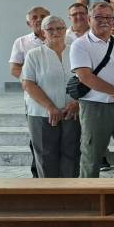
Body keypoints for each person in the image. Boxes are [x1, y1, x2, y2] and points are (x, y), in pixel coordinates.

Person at [71, 2, 114, 178]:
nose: (105, 21)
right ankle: (89, 193)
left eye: (109, 17)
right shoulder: (80, 45)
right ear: (89, 20)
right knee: (92, 156)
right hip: (95, 107)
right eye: (99, 17)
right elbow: (85, 76)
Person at [20, 16, 80, 178]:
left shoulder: (76, 51)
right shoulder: (34, 54)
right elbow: (28, 84)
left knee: (72, 154)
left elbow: (86, 79)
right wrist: (50, 107)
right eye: (50, 29)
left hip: (72, 112)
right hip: (41, 113)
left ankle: (71, 190)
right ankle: (49, 191)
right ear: (43, 32)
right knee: (46, 156)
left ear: (65, 29)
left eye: (59, 28)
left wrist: (77, 103)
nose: (55, 32)